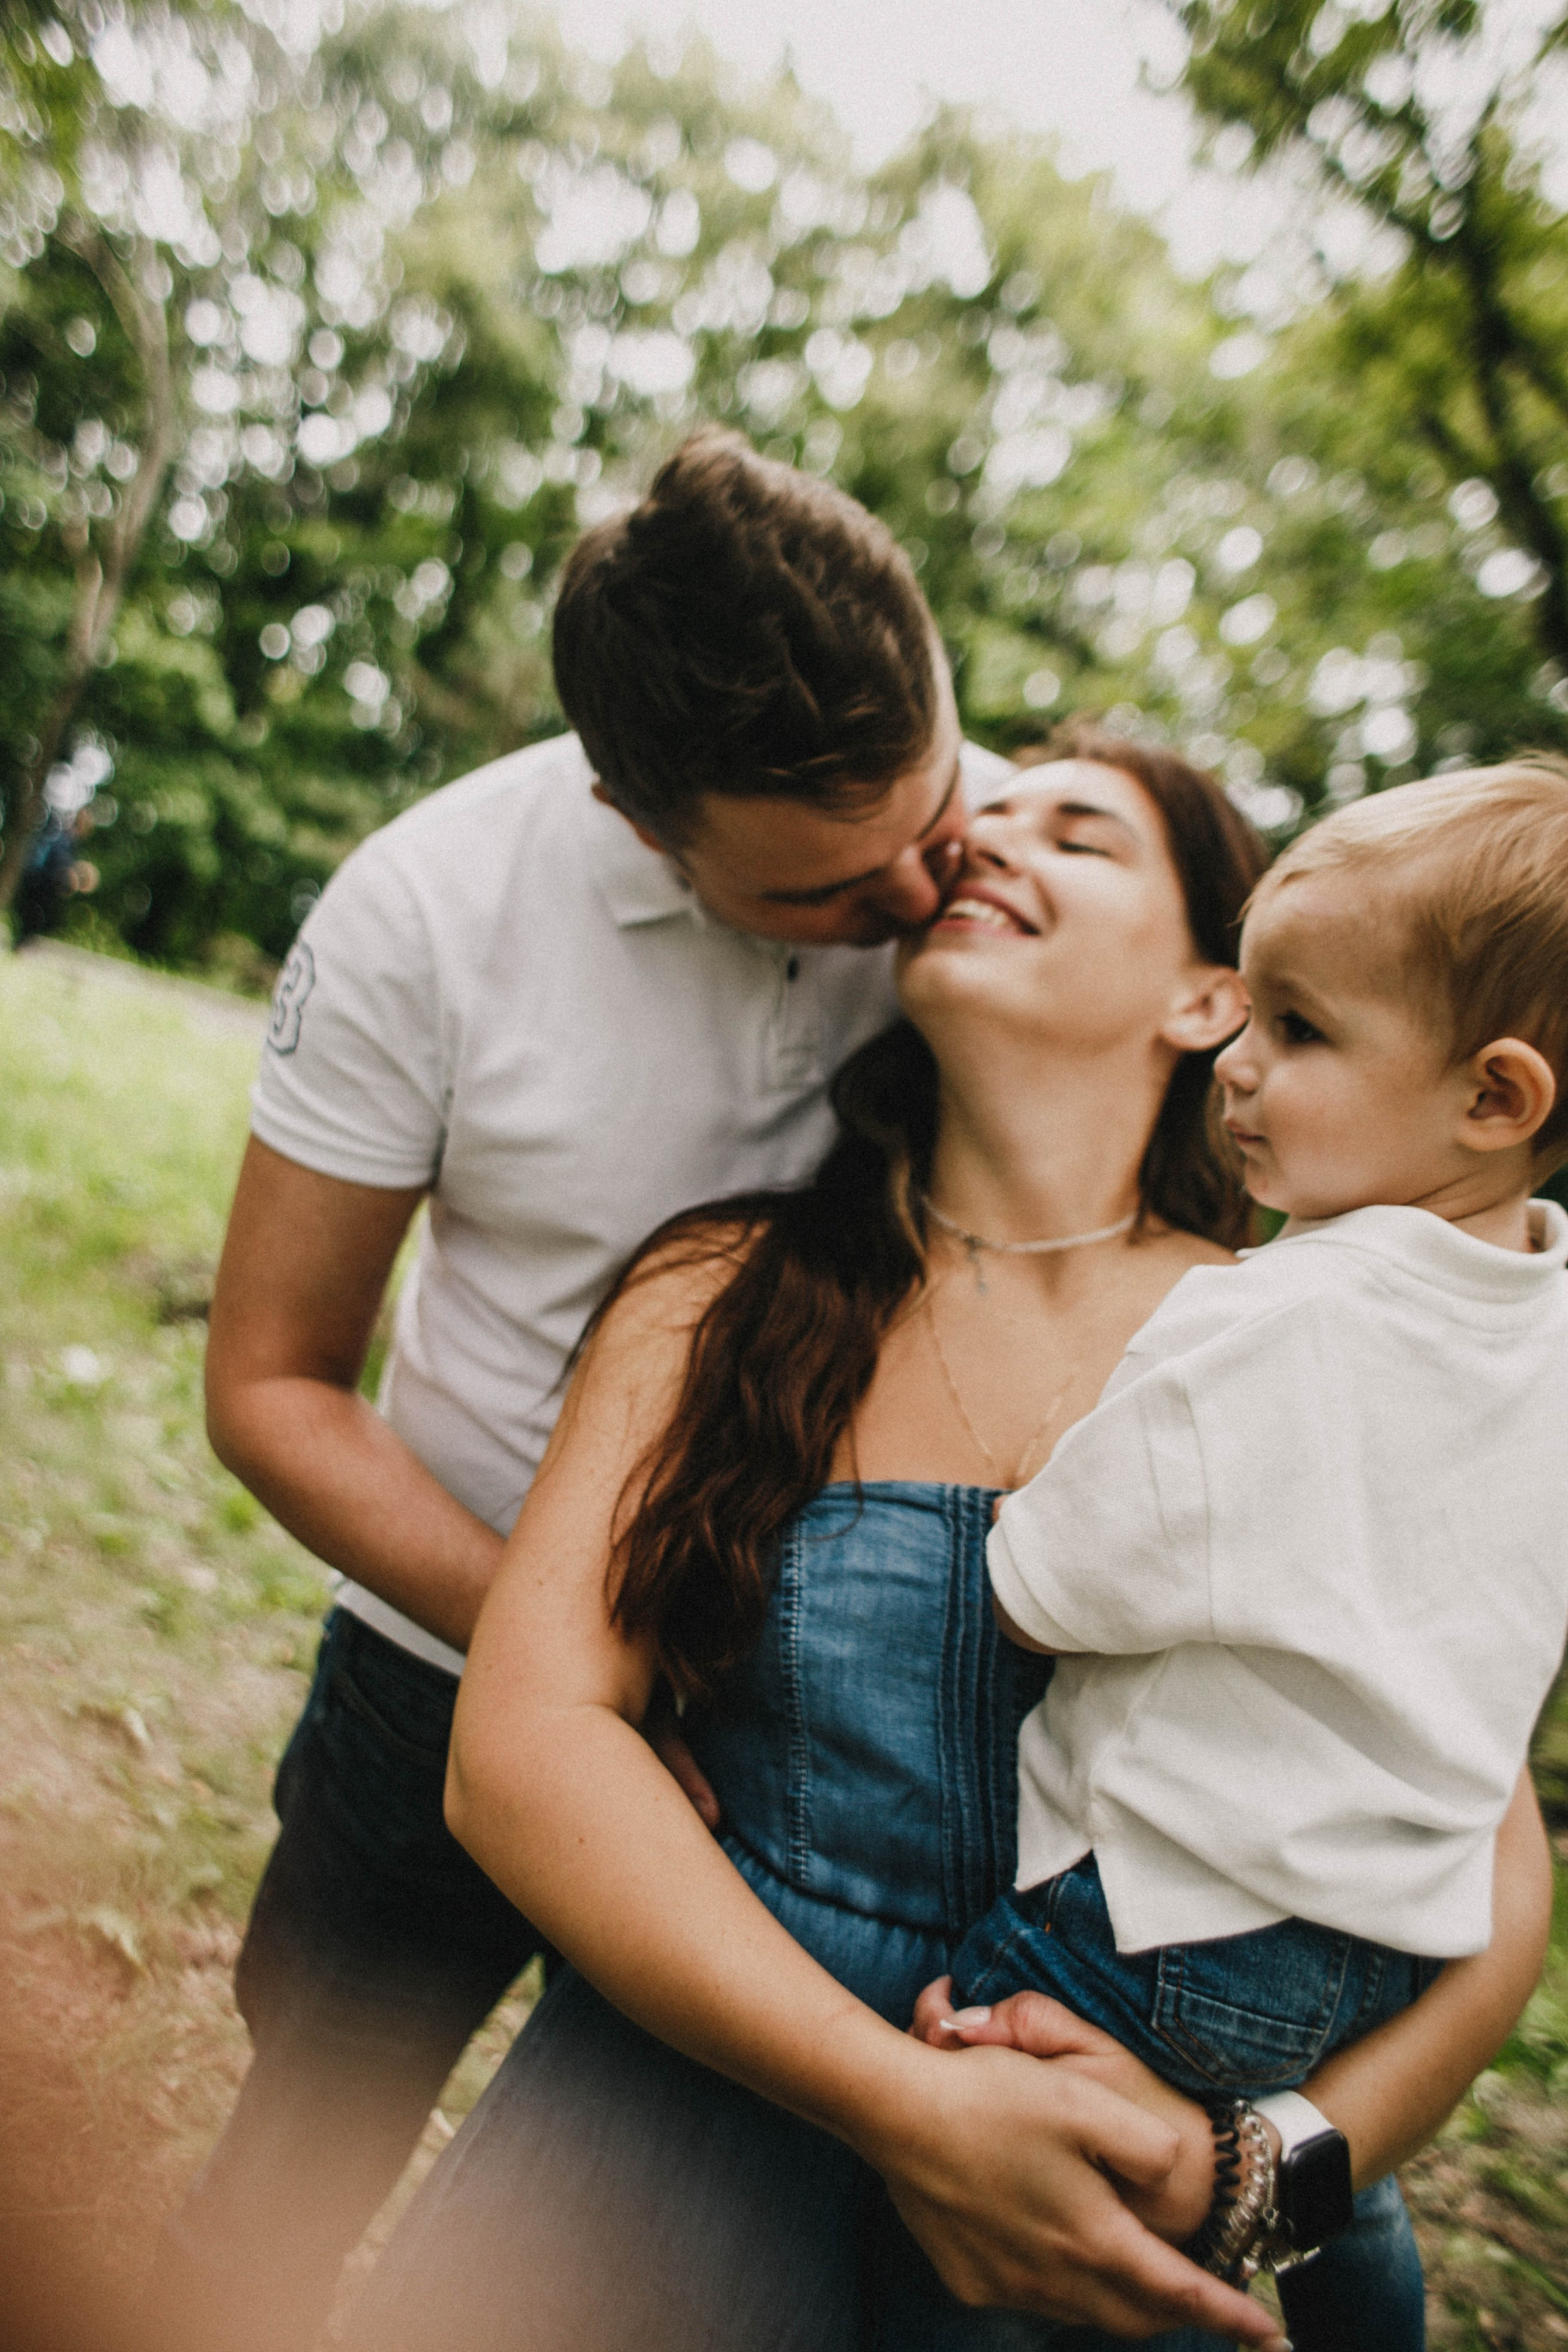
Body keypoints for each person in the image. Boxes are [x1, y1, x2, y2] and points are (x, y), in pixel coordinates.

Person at [340, 741, 1553, 2352]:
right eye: (982, 823)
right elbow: (521, 1749)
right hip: (684, 2126)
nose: (987, 844)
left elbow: (1481, 1877)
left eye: (1081, 833)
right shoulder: (726, 1286)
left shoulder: (1334, 1342)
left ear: (1213, 995)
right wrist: (912, 2108)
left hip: (1119, 2189)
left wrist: (1245, 2172)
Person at [150, 426, 1003, 2352]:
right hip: (441, 1665)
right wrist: (549, 1656)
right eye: (826, 895)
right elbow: (275, 1385)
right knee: (300, 2158)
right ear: (639, 819)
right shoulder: (424, 913)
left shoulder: (1018, 871)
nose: (915, 900)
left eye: (929, 816)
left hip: (824, 1729)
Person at [938, 761, 1568, 2312]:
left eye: (1297, 1029)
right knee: (1324, 2191)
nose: (1234, 1058)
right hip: (1392, 1941)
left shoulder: (1276, 1314)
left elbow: (1038, 1591)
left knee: (992, 2112)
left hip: (1170, 1914)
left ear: (1492, 1097)